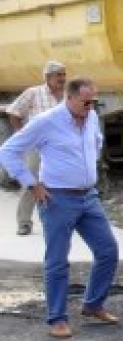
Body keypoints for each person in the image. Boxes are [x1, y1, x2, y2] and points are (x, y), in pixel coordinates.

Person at [0, 77, 119, 339]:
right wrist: (32, 184)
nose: (91, 107)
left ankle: (93, 304)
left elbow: (96, 142)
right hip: (57, 200)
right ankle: (57, 319)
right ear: (70, 97)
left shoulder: (91, 118)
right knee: (57, 261)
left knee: (108, 251)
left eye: (94, 102)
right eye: (86, 102)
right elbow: (7, 150)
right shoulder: (46, 122)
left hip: (88, 197)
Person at [5, 61, 68, 236]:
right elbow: (14, 112)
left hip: (61, 147)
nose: (62, 78)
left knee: (61, 183)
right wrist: (23, 136)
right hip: (37, 146)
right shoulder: (33, 93)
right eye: (58, 75)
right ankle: (24, 222)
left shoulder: (68, 94)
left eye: (63, 74)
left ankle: (62, 220)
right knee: (31, 181)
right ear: (47, 77)